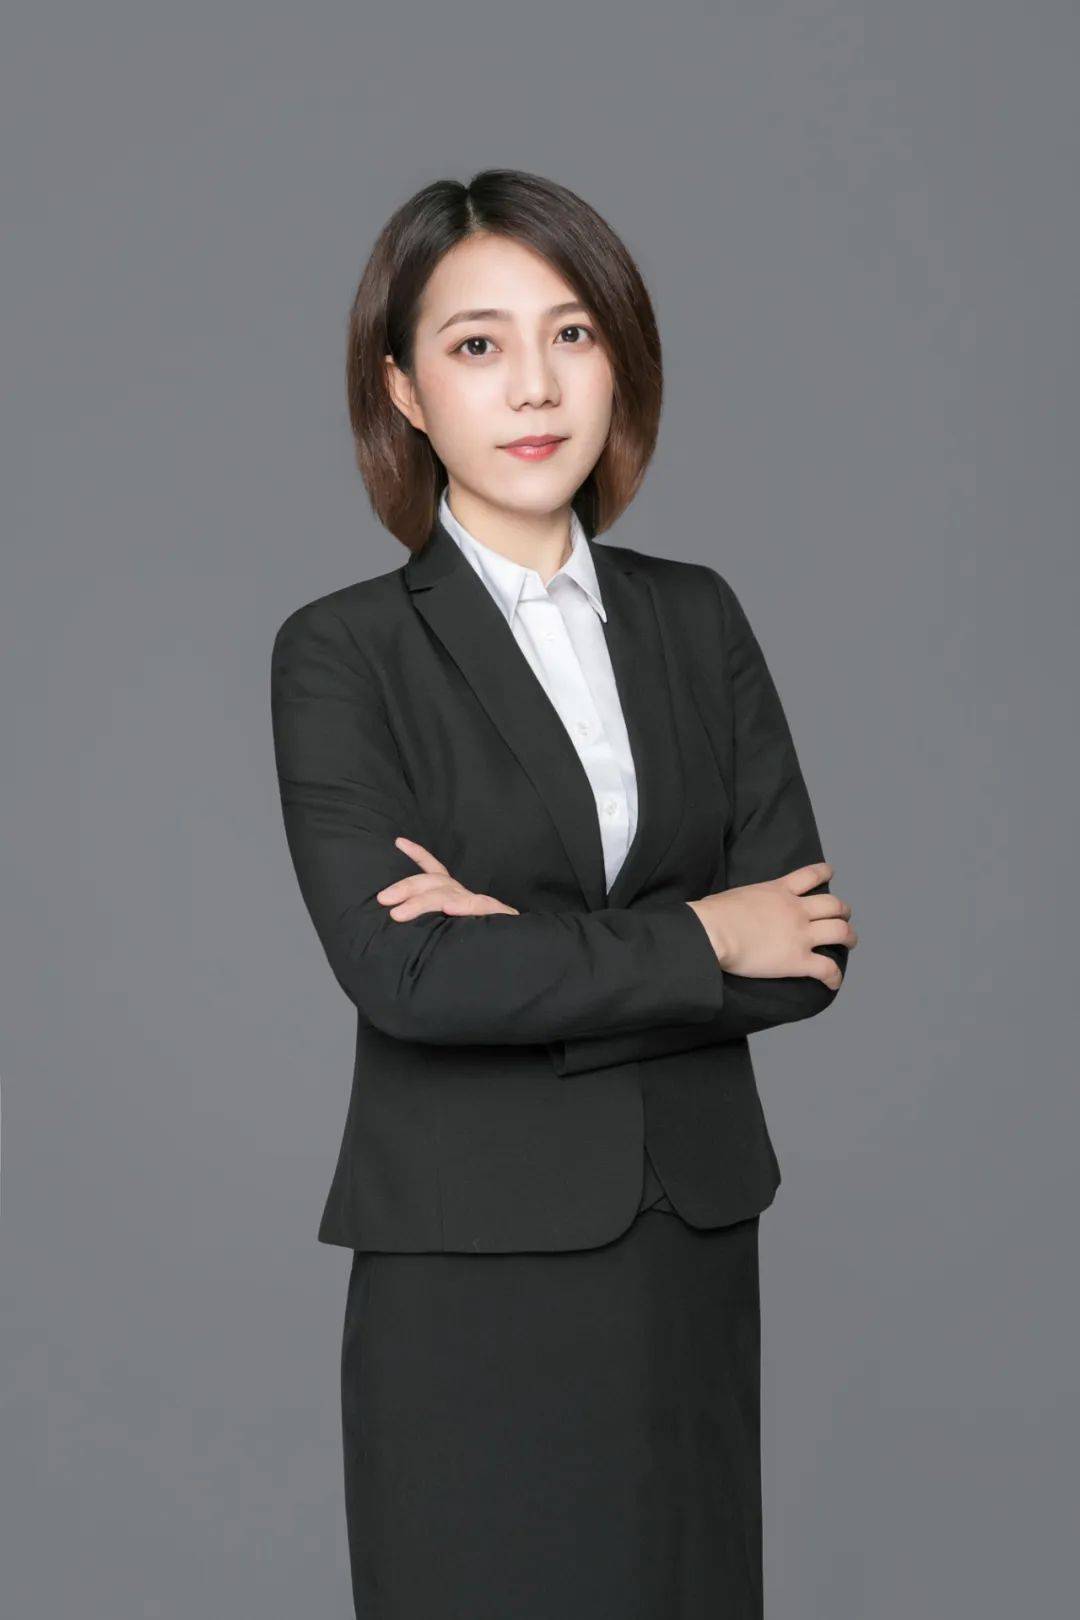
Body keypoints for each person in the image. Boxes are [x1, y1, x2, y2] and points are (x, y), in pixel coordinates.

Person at [270, 167, 857, 1619]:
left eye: (573, 333)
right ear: (404, 390)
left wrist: (534, 953)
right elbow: (411, 978)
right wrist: (702, 936)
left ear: (619, 361)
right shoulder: (342, 653)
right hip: (466, 1271)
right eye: (477, 344)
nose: (534, 385)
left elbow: (804, 954)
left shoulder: (698, 617)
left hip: (688, 1254)